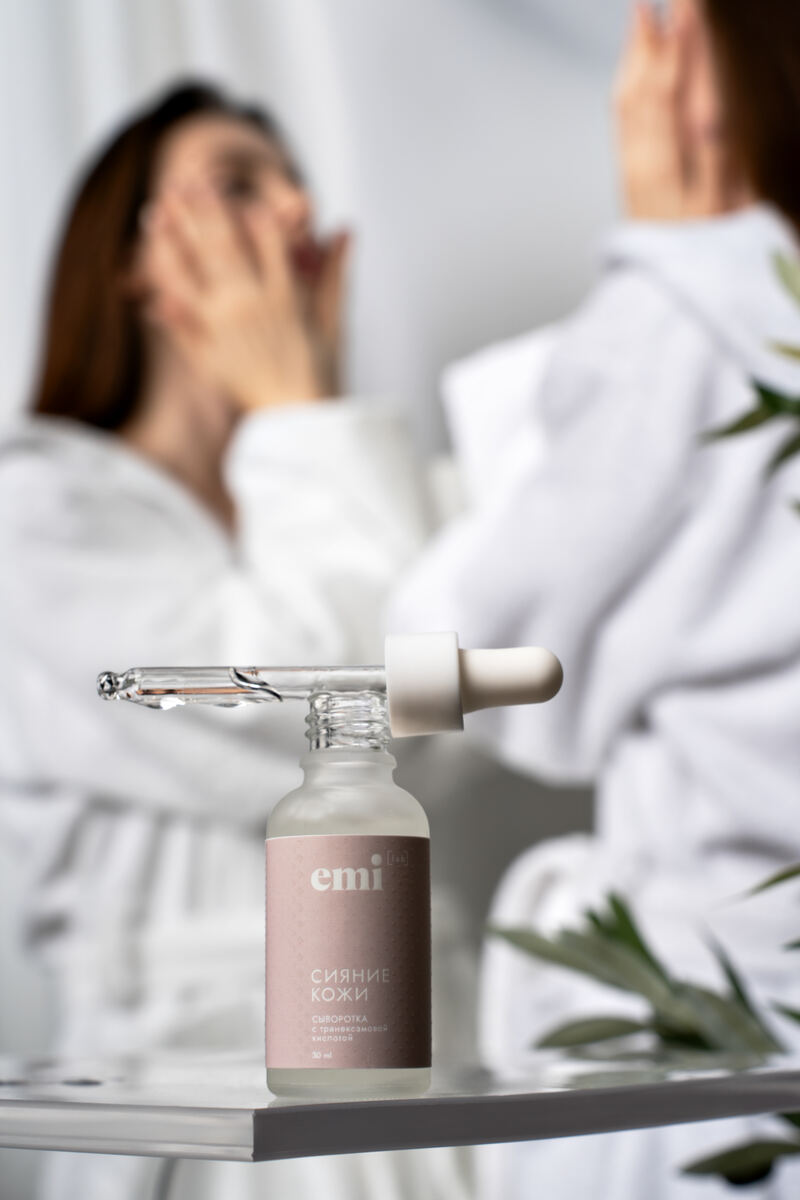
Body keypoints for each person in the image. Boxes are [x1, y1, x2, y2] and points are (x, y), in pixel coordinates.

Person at [0, 82, 471, 1200]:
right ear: (132, 260)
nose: (298, 210)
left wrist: (308, 420)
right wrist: (301, 409)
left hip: (436, 1077)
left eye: (297, 185)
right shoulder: (39, 516)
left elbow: (449, 747)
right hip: (197, 1108)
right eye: (239, 186)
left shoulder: (373, 490)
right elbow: (332, 731)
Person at [389, 2, 800, 1196]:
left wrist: (665, 262)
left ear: (710, 78)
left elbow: (441, 664)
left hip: (712, 1062)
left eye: (663, 24)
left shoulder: (699, 313)